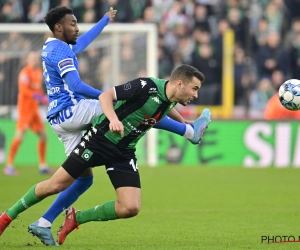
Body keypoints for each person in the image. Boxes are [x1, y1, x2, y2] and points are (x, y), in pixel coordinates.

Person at [10, 6, 210, 246]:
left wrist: (104, 21)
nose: (77, 27)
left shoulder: (58, 46)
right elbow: (76, 86)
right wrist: (111, 99)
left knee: (83, 181)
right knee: (128, 107)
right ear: (59, 27)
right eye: (73, 23)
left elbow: (82, 42)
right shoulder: (60, 51)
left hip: (68, 121)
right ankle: (189, 131)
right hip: (70, 112)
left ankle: (44, 222)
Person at [3, 51, 54, 176]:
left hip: (34, 111)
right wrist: (36, 96)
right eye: (32, 58)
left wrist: (43, 97)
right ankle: (9, 166)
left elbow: (38, 89)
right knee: (19, 136)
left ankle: (42, 166)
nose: (35, 61)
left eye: (36, 58)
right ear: (28, 60)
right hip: (25, 110)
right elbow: (24, 90)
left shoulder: (38, 73)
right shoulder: (24, 73)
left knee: (43, 136)